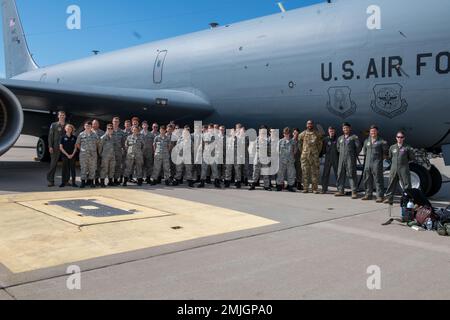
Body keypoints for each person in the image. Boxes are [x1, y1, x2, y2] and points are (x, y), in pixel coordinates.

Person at [384, 131, 415, 205]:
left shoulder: (407, 147)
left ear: (404, 138)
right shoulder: (392, 147)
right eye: (398, 137)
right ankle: (389, 198)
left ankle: (407, 199)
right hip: (394, 168)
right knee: (391, 183)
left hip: (403, 168)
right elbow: (390, 157)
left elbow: (411, 157)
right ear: (396, 138)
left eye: (401, 137)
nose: (399, 139)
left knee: (406, 184)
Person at [362, 125, 389, 202]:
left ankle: (380, 196)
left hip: (377, 163)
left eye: (374, 131)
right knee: (367, 179)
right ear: (370, 132)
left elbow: (385, 153)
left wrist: (379, 160)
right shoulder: (366, 141)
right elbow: (365, 151)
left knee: (378, 180)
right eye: (371, 131)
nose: (373, 132)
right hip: (368, 163)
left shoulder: (382, 141)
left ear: (377, 132)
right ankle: (368, 194)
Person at [335, 123, 362, 199]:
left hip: (350, 159)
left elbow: (358, 147)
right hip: (341, 159)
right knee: (340, 173)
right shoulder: (340, 138)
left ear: (350, 129)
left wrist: (353, 155)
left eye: (347, 128)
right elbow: (338, 148)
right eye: (344, 128)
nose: (345, 129)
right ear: (342, 129)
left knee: (351, 174)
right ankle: (340, 190)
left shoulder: (354, 137)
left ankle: (354, 192)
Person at [299, 120, 323, 194]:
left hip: (314, 156)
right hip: (305, 156)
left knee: (314, 172)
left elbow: (320, 144)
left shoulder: (317, 134)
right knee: (305, 172)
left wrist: (316, 152)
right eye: (308, 124)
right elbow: (300, 145)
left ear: (313, 125)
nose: (310, 125)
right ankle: (305, 188)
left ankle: (314, 189)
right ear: (306, 125)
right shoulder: (302, 134)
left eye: (311, 124)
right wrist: (304, 152)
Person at [76, 121, 99, 188]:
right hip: (83, 155)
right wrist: (82, 149)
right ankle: (83, 183)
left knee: (92, 168)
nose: (88, 127)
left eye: (89, 126)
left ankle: (92, 182)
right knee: (83, 168)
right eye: (86, 126)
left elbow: (97, 144)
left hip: (93, 155)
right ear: (84, 126)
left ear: (91, 126)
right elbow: (77, 144)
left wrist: (94, 150)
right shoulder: (81, 134)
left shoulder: (95, 135)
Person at [47, 111, 66, 187]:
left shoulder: (67, 125)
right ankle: (51, 181)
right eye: (60, 115)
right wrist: (50, 146)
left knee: (66, 165)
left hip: (65, 147)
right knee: (53, 164)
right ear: (58, 116)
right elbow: (50, 136)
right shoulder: (54, 125)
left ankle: (66, 180)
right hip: (55, 147)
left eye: (63, 115)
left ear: (65, 116)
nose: (62, 116)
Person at [198, 124, 221, 188]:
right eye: (209, 128)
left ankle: (216, 182)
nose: (210, 129)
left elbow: (218, 146)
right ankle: (202, 182)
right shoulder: (204, 135)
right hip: (205, 154)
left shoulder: (216, 136)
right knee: (204, 169)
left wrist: (218, 154)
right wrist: (199, 154)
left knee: (214, 169)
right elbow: (201, 145)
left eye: (211, 128)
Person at [250, 125, 272, 191]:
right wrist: (254, 156)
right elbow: (252, 149)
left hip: (265, 158)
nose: (263, 132)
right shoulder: (256, 139)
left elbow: (271, 149)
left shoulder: (268, 139)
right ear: (259, 131)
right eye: (262, 131)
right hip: (257, 157)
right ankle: (253, 184)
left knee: (265, 172)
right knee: (255, 172)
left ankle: (266, 186)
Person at [276, 127, 296, 192]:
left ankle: (290, 186)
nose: (286, 134)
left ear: (289, 134)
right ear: (283, 134)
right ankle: (279, 186)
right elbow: (277, 151)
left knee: (291, 174)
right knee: (280, 174)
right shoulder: (280, 141)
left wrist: (290, 156)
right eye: (285, 133)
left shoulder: (293, 142)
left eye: (287, 133)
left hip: (290, 161)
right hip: (282, 161)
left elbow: (295, 151)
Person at [321, 127, 339, 194]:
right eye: (330, 131)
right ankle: (324, 189)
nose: (331, 132)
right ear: (328, 131)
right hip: (328, 158)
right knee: (325, 173)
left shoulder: (337, 139)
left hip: (336, 158)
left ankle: (340, 189)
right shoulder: (325, 139)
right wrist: (322, 154)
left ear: (334, 131)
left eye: (332, 131)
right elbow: (323, 149)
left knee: (337, 174)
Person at [112, 117, 126, 186]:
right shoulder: (109, 130)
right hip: (110, 152)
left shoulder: (122, 132)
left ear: (119, 123)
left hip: (118, 152)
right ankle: (110, 180)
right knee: (111, 166)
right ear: (112, 122)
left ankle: (115, 179)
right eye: (114, 121)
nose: (115, 123)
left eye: (117, 121)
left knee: (117, 166)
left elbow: (124, 143)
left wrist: (124, 150)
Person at [92, 119, 105, 186]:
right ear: (92, 124)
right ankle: (89, 181)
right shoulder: (89, 131)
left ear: (98, 125)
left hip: (100, 152)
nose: (95, 125)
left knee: (98, 167)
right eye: (94, 124)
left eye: (96, 124)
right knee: (91, 167)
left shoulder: (102, 132)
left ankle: (97, 180)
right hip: (91, 153)